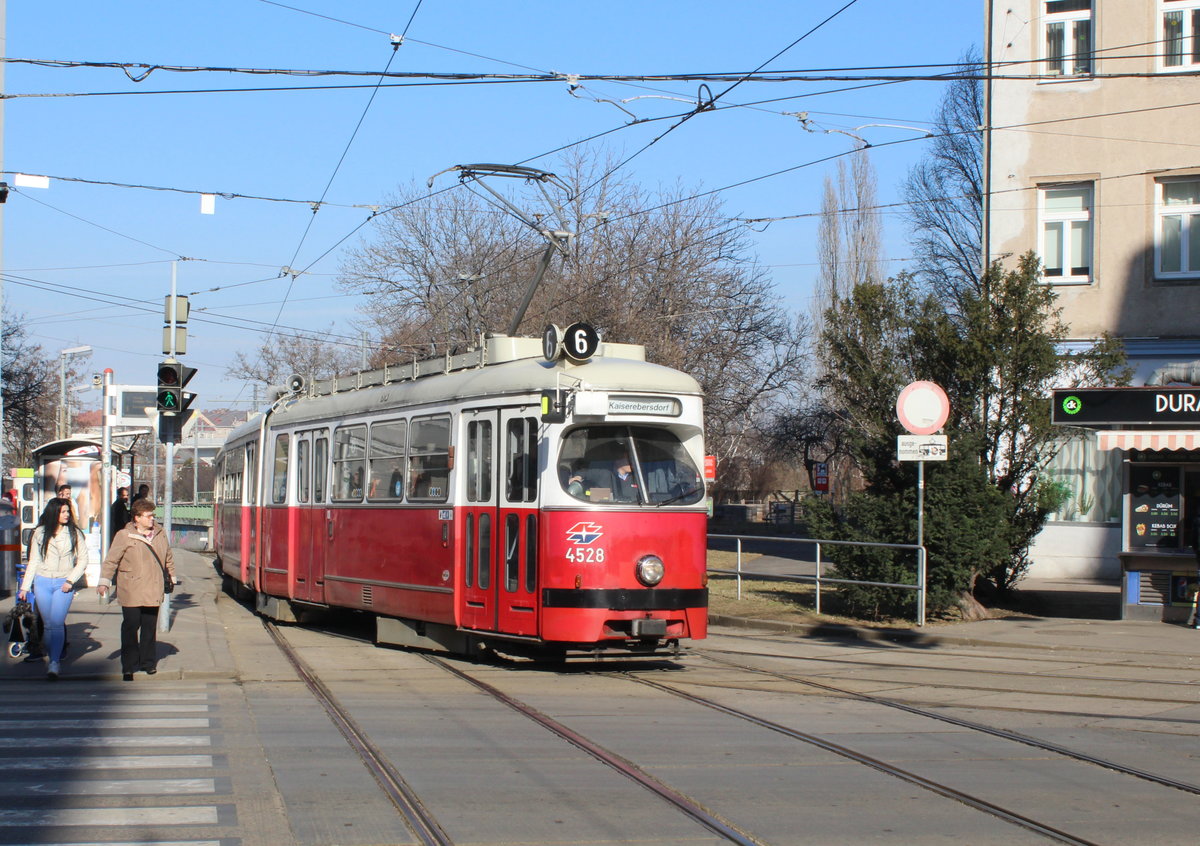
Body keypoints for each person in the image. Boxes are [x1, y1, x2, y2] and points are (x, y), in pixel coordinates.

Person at [98, 499, 176, 681]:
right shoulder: (124, 535)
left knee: (149, 627)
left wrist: (172, 576)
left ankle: (148, 663)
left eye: (152, 515)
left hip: (153, 588)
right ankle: (128, 665)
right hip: (131, 588)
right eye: (148, 516)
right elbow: (111, 560)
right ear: (137, 518)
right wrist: (104, 581)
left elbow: (168, 557)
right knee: (131, 626)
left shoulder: (159, 533)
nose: (152, 519)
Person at [17, 497, 89, 679]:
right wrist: (25, 587)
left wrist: (70, 581)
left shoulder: (74, 533)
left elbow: (83, 560)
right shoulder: (40, 533)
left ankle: (54, 662)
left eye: (67, 511)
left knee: (56, 623)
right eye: (63, 511)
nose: (66, 515)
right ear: (54, 512)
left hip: (63, 583)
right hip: (42, 581)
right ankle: (51, 653)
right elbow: (33, 560)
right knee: (48, 624)